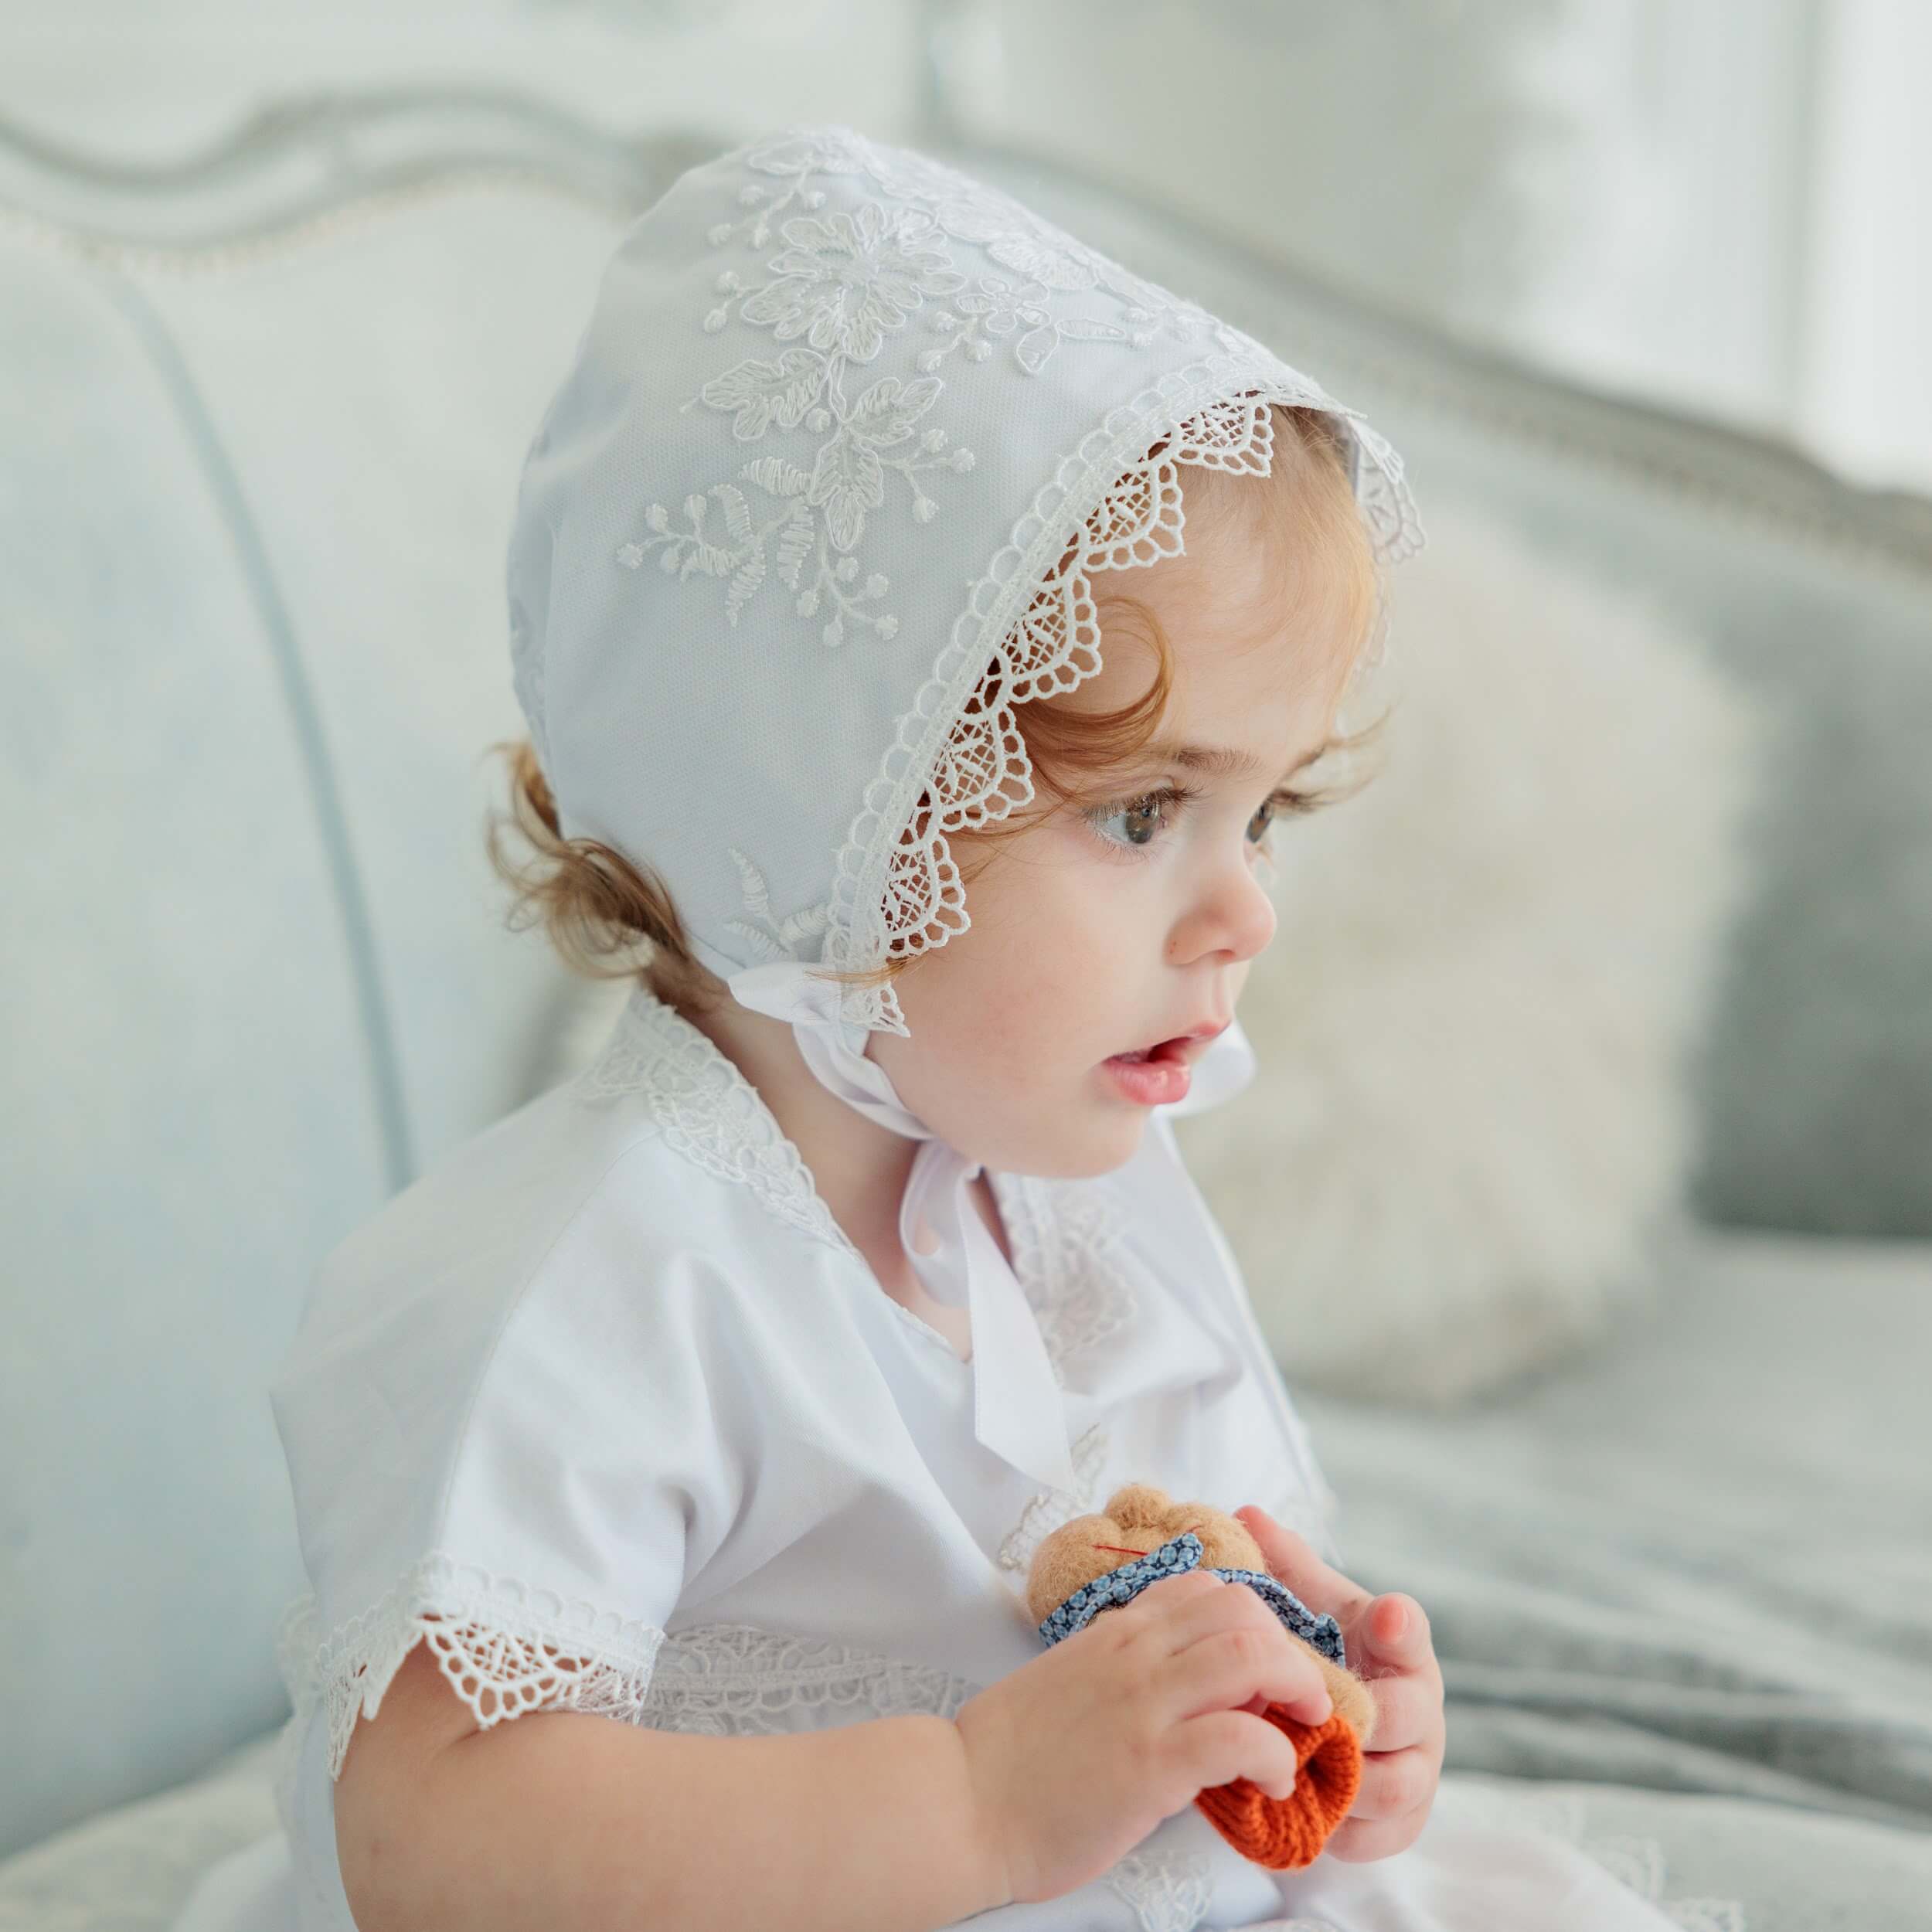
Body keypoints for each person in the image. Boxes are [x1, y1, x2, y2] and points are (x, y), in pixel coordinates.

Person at [172, 123, 1711, 1932]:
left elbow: (1156, 1606)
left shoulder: (1060, 1206)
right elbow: (436, 1843)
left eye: (1265, 812)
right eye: (1143, 812)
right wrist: (979, 1796)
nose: (1245, 914)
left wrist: (1307, 1710)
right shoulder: (591, 1278)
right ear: (827, 803)